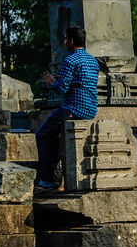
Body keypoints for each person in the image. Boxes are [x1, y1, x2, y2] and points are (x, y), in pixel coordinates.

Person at [34, 26, 99, 192]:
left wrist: (51, 81)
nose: (64, 42)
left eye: (65, 39)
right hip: (90, 108)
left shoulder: (70, 60)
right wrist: (59, 78)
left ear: (70, 41)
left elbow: (61, 89)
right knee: (53, 134)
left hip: (73, 108)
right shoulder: (92, 60)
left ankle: (48, 180)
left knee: (42, 134)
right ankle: (54, 174)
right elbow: (80, 81)